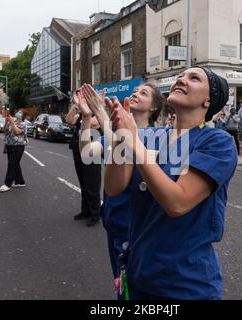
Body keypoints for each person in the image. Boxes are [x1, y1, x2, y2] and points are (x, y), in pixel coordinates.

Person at [87, 67, 237, 300]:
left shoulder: (218, 142)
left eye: (194, 78)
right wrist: (120, 138)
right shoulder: (150, 136)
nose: (182, 79)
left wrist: (133, 142)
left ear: (209, 100)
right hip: (138, 275)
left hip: (183, 284)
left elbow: (177, 202)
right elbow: (114, 187)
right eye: (181, 76)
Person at [77, 82, 166, 299]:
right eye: (135, 91)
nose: (136, 93)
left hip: (138, 223)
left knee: (139, 285)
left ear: (154, 107)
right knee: (121, 281)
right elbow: (86, 153)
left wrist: (102, 113)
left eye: (143, 93)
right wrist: (88, 118)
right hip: (114, 220)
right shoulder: (115, 133)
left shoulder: (160, 136)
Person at [66, 95, 102, 227]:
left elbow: (93, 123)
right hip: (78, 150)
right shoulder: (81, 115)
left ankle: (95, 214)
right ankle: (85, 211)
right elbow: (69, 119)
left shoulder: (95, 115)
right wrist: (76, 106)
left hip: (92, 153)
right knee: (83, 183)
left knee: (92, 184)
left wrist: (86, 110)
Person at [0, 110, 28, 193]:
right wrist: (6, 122)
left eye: (21, 112)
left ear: (23, 116)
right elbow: (4, 130)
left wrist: (11, 122)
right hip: (9, 146)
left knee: (12, 164)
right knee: (15, 164)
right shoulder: (13, 122)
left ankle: (7, 184)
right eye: (18, 111)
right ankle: (20, 181)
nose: (18, 113)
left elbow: (17, 132)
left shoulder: (23, 124)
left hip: (18, 147)